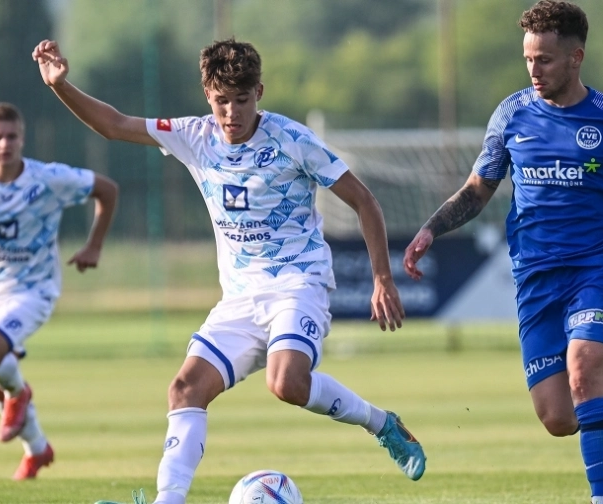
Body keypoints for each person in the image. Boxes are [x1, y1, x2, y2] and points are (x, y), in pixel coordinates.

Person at [33, 38, 426, 504]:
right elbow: (115, 125)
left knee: (285, 383)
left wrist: (382, 278)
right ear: (207, 96)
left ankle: (382, 424)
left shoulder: (292, 140)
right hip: (239, 299)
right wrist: (61, 86)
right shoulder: (194, 135)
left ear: (259, 92)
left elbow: (364, 201)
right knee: (184, 389)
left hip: (298, 284)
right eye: (221, 101)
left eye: (242, 100)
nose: (231, 113)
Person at [403, 2, 603, 503]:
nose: (534, 70)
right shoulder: (512, 113)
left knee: (582, 370)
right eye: (529, 59)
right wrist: (430, 229)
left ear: (576, 57)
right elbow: (477, 188)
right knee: (558, 417)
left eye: (546, 60)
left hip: (598, 270)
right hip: (535, 278)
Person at [0, 102, 119, 480]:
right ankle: (38, 450)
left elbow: (107, 190)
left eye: (11, 136)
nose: (4, 144)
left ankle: (20, 395)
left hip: (35, 289)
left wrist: (94, 245)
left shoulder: (46, 179)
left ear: (22, 139)